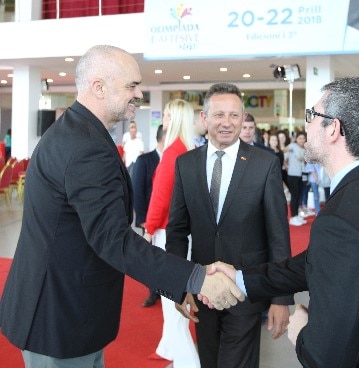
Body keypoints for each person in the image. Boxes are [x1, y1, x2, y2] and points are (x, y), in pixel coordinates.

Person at [0, 45, 243, 368]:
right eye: (131, 85)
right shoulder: (85, 145)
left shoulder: (78, 133)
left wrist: (179, 281)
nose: (139, 93)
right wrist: (195, 278)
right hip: (59, 317)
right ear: (98, 87)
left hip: (62, 310)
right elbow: (113, 239)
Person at [203, 76, 359, 367]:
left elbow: (324, 356)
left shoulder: (343, 217)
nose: (306, 125)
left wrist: (301, 330)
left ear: (334, 128)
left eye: (312, 115)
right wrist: (241, 279)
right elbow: (322, 261)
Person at [165, 83, 293, 368]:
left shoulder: (265, 164)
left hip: (247, 290)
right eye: (219, 114)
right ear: (204, 118)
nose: (227, 123)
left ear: (243, 118)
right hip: (201, 290)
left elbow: (278, 236)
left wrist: (281, 299)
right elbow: (176, 231)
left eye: (234, 116)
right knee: (209, 361)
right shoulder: (185, 164)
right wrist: (178, 284)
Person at [143, 99, 199, 367]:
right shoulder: (190, 149)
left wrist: (148, 229)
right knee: (174, 297)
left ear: (174, 118)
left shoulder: (172, 152)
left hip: (169, 232)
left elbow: (160, 198)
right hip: (185, 234)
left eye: (166, 113)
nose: (162, 117)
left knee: (172, 301)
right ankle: (168, 349)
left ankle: (187, 361)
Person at [132, 123, 165, 307]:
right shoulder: (144, 160)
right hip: (150, 221)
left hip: (167, 221)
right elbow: (137, 191)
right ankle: (153, 292)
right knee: (151, 258)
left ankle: (165, 289)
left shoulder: (175, 158)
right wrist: (144, 220)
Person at [286, 132, 308, 226]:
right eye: (300, 138)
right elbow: (283, 152)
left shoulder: (304, 149)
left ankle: (297, 215)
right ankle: (293, 217)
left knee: (299, 195)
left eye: (303, 138)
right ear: (296, 139)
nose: (302, 140)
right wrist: (286, 164)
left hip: (301, 175)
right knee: (294, 196)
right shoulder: (292, 146)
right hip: (292, 174)